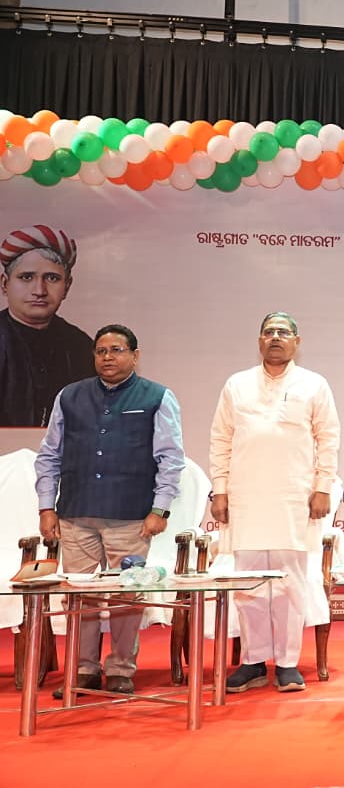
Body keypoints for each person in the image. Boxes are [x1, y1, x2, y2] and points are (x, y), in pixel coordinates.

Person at [33, 324, 185, 697]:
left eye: (117, 350)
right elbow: (50, 455)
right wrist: (46, 507)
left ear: (135, 355)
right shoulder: (70, 396)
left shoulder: (157, 397)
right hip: (76, 512)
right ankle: (84, 669)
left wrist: (160, 509)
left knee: (125, 595)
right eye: (101, 351)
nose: (107, 357)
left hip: (131, 516)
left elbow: (170, 459)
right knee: (80, 596)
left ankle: (120, 669)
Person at [210, 313, 341, 694]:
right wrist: (220, 490)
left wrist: (322, 488)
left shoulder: (314, 384)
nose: (276, 338)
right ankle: (253, 662)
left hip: (293, 497)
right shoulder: (237, 384)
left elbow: (328, 438)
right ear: (259, 341)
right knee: (248, 584)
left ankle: (286, 663)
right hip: (246, 498)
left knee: (289, 585)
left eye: (283, 332)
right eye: (269, 332)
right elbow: (220, 438)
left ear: (297, 341)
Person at [0, 224, 94, 427]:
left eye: (52, 278)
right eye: (26, 277)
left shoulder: (82, 347)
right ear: (5, 284)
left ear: (67, 286)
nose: (39, 290)